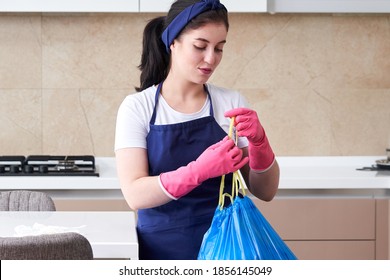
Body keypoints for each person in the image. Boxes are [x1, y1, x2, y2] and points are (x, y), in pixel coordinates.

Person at [115, 0, 279, 260]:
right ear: (173, 42)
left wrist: (261, 144)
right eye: (200, 46)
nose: (211, 59)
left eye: (219, 48)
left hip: (229, 249)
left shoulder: (230, 103)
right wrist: (200, 170)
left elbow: (265, 191)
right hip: (162, 250)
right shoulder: (138, 108)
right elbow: (135, 194)